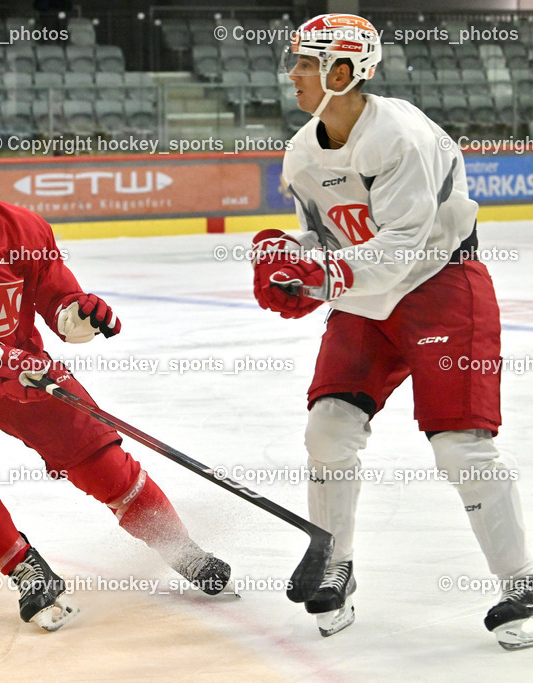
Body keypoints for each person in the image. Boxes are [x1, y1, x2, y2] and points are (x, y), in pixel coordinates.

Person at [0, 125, 230, 631]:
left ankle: (181, 549)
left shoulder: (25, 229)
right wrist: (2, 368)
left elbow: (58, 300)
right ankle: (26, 570)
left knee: (102, 461)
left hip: (22, 372)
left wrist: (79, 315)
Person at [251, 13, 533, 647]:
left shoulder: (400, 136)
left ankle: (523, 581)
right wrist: (286, 255)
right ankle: (335, 563)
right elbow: (327, 239)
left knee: (459, 447)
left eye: (306, 62)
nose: (291, 72)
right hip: (367, 300)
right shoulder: (301, 152)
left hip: (441, 288)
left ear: (344, 72)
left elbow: (402, 248)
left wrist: (319, 276)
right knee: (327, 427)